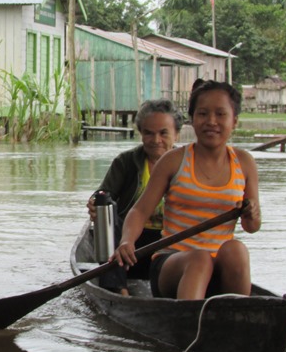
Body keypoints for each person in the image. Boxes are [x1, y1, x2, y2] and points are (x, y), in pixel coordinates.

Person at [111, 80, 261, 300]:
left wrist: (252, 213)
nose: (211, 122)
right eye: (203, 114)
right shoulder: (173, 161)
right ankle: (187, 322)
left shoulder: (244, 162)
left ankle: (236, 316)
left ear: (235, 121)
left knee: (236, 249)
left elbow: (252, 226)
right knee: (199, 259)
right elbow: (140, 211)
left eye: (220, 114)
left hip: (218, 266)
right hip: (172, 263)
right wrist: (127, 242)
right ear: (193, 119)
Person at [87, 99, 183, 294]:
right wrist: (95, 202)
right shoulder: (127, 162)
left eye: (163, 133)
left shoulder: (188, 163)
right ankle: (117, 287)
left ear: (176, 134)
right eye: (149, 133)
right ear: (141, 134)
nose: (156, 140)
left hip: (171, 243)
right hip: (130, 244)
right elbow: (104, 193)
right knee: (108, 214)